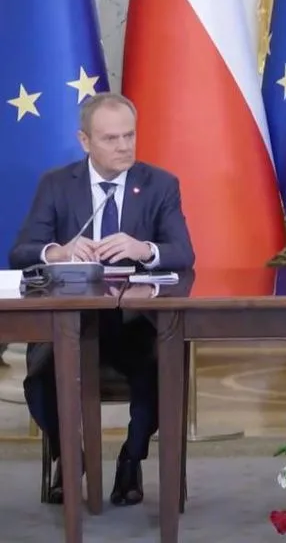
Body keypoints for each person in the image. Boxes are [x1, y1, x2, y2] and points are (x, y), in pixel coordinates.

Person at [8, 92, 195, 506]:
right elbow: (21, 252)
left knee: (159, 368)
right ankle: (70, 455)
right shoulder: (57, 185)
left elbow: (183, 253)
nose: (124, 146)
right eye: (111, 138)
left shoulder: (159, 184)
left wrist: (143, 247)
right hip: (68, 324)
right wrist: (57, 252)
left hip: (132, 322)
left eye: (130, 135)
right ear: (84, 140)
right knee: (40, 380)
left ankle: (131, 459)